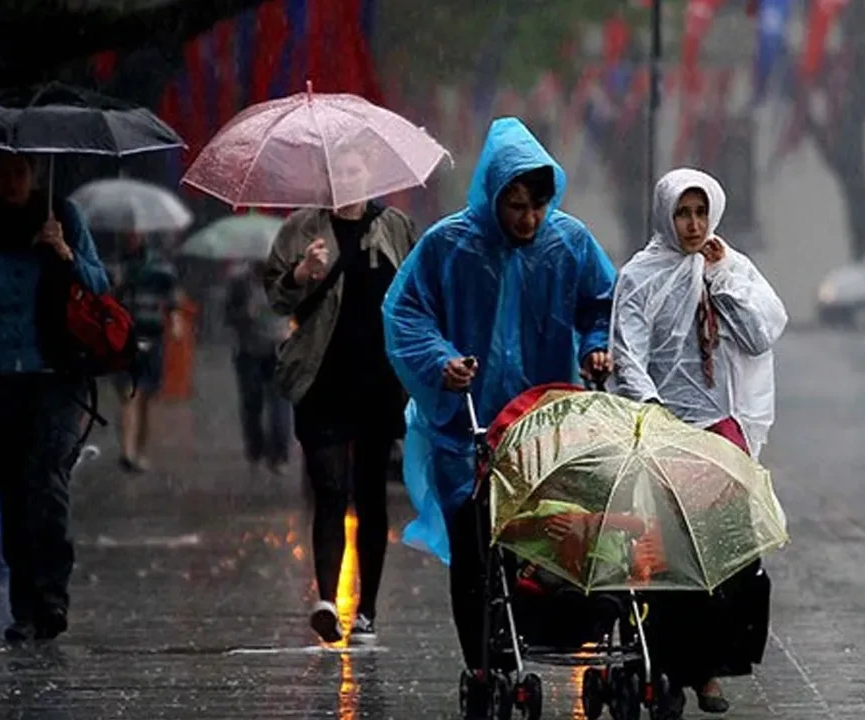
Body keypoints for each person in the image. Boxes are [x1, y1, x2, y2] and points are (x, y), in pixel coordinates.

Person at [382, 117, 616, 701]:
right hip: (469, 430)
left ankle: (540, 636)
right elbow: (406, 312)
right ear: (493, 196)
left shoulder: (570, 244)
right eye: (514, 206)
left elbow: (603, 306)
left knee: (550, 539)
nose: (527, 220)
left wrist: (595, 351)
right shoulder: (449, 246)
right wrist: (441, 360)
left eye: (536, 207)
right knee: (474, 546)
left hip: (546, 425)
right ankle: (484, 661)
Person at [609, 168, 786, 714]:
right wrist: (653, 412)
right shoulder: (640, 277)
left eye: (700, 213)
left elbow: (759, 334)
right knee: (669, 560)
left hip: (720, 431)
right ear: (667, 214)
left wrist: (722, 278)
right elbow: (628, 353)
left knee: (727, 559)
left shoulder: (725, 266)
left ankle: (711, 669)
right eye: (683, 213)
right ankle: (668, 666)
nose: (692, 225)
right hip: (664, 433)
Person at [0, 152, 109, 642]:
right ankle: (23, 606)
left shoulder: (65, 218)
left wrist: (64, 252)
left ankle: (53, 594)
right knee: (13, 491)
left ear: (34, 173)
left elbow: (100, 285)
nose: (12, 180)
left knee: (47, 480)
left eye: (20, 171)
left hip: (56, 376)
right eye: (3, 172)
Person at [264, 146, 417, 646]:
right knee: (329, 489)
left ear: (368, 174)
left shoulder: (394, 226)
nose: (345, 180)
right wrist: (301, 274)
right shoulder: (301, 228)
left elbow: (417, 291)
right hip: (320, 380)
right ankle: (328, 599)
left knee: (371, 496)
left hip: (377, 382)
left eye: (354, 170)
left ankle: (367, 608)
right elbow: (275, 295)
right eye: (336, 172)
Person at [111, 231, 179, 473]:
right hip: (125, 338)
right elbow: (107, 299)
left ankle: (138, 451)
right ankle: (128, 451)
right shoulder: (117, 266)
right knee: (130, 394)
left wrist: (172, 318)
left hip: (152, 336)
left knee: (146, 397)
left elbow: (171, 299)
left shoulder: (160, 267)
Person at [225, 259, 292, 477]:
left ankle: (279, 454)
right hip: (249, 352)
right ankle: (255, 448)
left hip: (279, 350)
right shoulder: (240, 281)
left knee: (280, 406)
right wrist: (244, 313)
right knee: (252, 403)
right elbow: (228, 315)